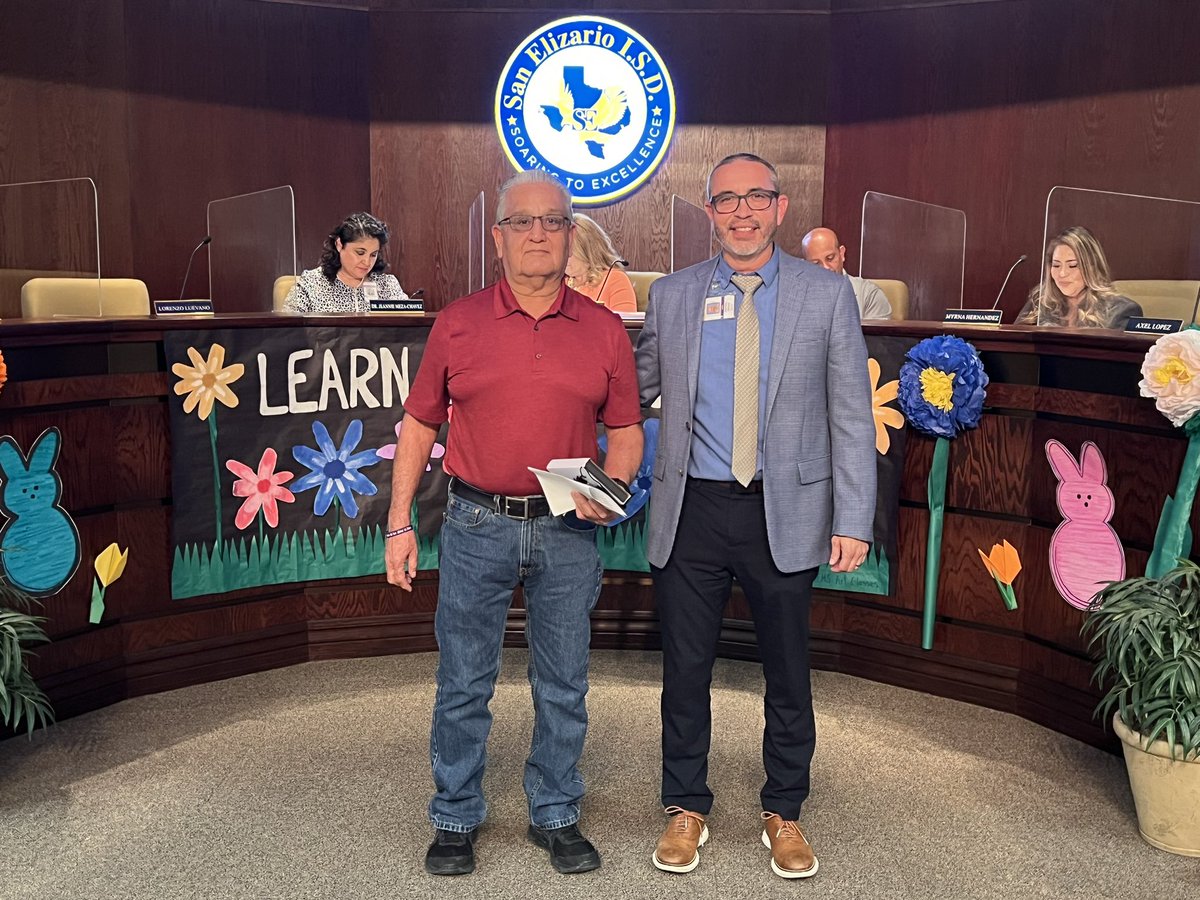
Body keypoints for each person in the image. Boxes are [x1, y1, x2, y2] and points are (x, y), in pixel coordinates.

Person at [384, 170, 643, 877]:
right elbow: (417, 427)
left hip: (567, 529)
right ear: (497, 239)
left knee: (564, 679)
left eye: (552, 222)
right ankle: (455, 815)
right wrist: (399, 523)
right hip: (474, 523)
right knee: (464, 678)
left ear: (570, 236)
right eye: (522, 223)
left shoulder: (605, 331)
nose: (537, 234)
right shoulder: (457, 323)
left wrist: (613, 488)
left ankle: (556, 811)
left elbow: (625, 431)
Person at [635, 153, 876, 880]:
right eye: (726, 200)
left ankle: (785, 810)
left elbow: (851, 417)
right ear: (709, 212)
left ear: (780, 206)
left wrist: (854, 517)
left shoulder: (825, 295)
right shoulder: (673, 295)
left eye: (756, 198)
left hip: (787, 507)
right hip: (694, 507)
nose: (742, 211)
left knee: (787, 670)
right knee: (684, 668)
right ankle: (685, 804)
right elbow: (631, 388)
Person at [1016, 225, 1142, 328]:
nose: (1062, 274)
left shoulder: (1121, 311)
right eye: (1056, 265)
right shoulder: (1040, 301)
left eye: (1073, 266)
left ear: (1092, 267)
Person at [283, 212, 409, 313]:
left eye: (373, 255)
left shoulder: (387, 285)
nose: (367, 262)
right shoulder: (311, 284)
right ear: (339, 244)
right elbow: (287, 332)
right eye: (360, 253)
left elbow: (408, 332)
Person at [800, 227, 892, 320]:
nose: (825, 267)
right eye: (816, 263)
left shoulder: (869, 295)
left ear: (841, 254)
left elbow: (872, 334)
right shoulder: (795, 299)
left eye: (830, 258)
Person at [564, 213, 638, 313]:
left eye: (567, 250)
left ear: (588, 251)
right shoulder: (556, 281)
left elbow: (623, 326)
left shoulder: (615, 280)